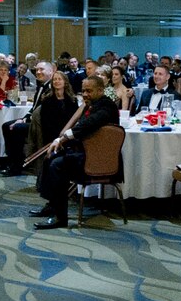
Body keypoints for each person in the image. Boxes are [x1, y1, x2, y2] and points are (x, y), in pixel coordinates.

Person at [31, 77, 118, 230]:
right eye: (83, 91)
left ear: (100, 90)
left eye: (89, 91)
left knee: (58, 165)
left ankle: (60, 217)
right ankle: (53, 205)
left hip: (98, 160)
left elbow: (88, 124)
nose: (85, 94)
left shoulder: (107, 106)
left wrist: (63, 138)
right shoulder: (91, 104)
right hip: (87, 153)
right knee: (51, 157)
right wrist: (60, 141)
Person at [1, 61, 53, 177]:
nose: (38, 72)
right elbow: (33, 108)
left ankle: (16, 166)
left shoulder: (51, 88)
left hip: (42, 124)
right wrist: (24, 118)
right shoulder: (41, 86)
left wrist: (25, 120)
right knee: (6, 126)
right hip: (33, 119)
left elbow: (43, 112)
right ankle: (11, 160)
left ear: (51, 72)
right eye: (37, 70)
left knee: (17, 129)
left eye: (41, 69)